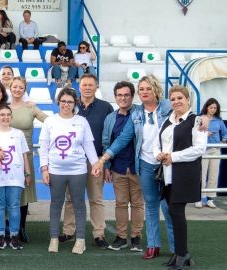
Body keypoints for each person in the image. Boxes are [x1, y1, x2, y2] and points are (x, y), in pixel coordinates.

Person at [92, 75, 176, 259]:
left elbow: (187, 113)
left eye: (148, 88)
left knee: (169, 207)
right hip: (143, 165)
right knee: (150, 206)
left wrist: (204, 119)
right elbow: (121, 139)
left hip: (166, 165)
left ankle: (177, 248)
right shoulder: (136, 115)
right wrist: (103, 161)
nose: (144, 92)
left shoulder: (167, 106)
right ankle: (153, 246)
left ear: (155, 89)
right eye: (142, 89)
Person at [40, 88, 100, 254]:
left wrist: (95, 164)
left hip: (78, 171)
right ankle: (53, 239)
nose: (66, 104)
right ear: (58, 102)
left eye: (70, 102)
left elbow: (88, 145)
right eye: (63, 101)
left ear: (75, 104)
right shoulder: (50, 121)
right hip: (55, 170)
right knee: (56, 204)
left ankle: (80, 240)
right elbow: (43, 147)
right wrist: (44, 168)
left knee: (79, 204)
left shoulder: (81, 122)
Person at [154, 85, 207, 269]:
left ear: (188, 100)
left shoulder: (197, 120)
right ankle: (181, 254)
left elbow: (200, 149)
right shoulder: (167, 120)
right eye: (173, 99)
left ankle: (182, 254)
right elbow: (157, 143)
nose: (176, 102)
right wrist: (159, 154)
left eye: (180, 98)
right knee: (173, 213)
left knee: (176, 212)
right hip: (167, 176)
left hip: (184, 175)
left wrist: (173, 157)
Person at [60, 74, 113, 249]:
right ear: (79, 86)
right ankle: (68, 231)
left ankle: (99, 234)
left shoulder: (106, 108)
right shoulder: (71, 106)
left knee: (96, 198)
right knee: (71, 198)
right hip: (73, 160)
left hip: (95, 161)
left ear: (96, 87)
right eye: (84, 85)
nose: (88, 88)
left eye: (91, 85)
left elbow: (109, 137)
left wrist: (105, 164)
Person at [102, 81, 144, 252]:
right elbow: (106, 142)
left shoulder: (141, 114)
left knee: (137, 204)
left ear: (132, 96)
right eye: (119, 95)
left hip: (138, 167)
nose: (123, 98)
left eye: (126, 95)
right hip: (118, 167)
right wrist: (106, 166)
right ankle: (120, 237)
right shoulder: (110, 118)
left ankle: (136, 237)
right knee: (120, 203)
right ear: (115, 97)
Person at [0, 105, 30, 250]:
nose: (5, 117)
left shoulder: (19, 134)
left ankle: (14, 237)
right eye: (2, 115)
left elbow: (24, 154)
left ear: (11, 117)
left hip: (15, 176)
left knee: (14, 206)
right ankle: (0, 237)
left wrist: (27, 172)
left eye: (7, 114)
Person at [9, 77, 48, 242]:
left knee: (24, 194)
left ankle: (21, 228)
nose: (17, 89)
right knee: (8, 193)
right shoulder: (5, 108)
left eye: (21, 87)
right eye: (15, 87)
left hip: (26, 157)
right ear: (10, 88)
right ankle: (8, 227)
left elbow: (50, 120)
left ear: (24, 90)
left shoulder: (31, 107)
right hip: (7, 158)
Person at [197, 98, 227, 208]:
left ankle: (210, 199)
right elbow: (194, 133)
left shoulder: (219, 120)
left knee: (214, 175)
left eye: (215, 108)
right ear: (206, 107)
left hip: (215, 150)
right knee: (202, 175)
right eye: (211, 107)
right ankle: (200, 198)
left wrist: (222, 141)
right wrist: (205, 134)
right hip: (203, 150)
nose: (213, 110)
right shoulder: (199, 119)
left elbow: (225, 134)